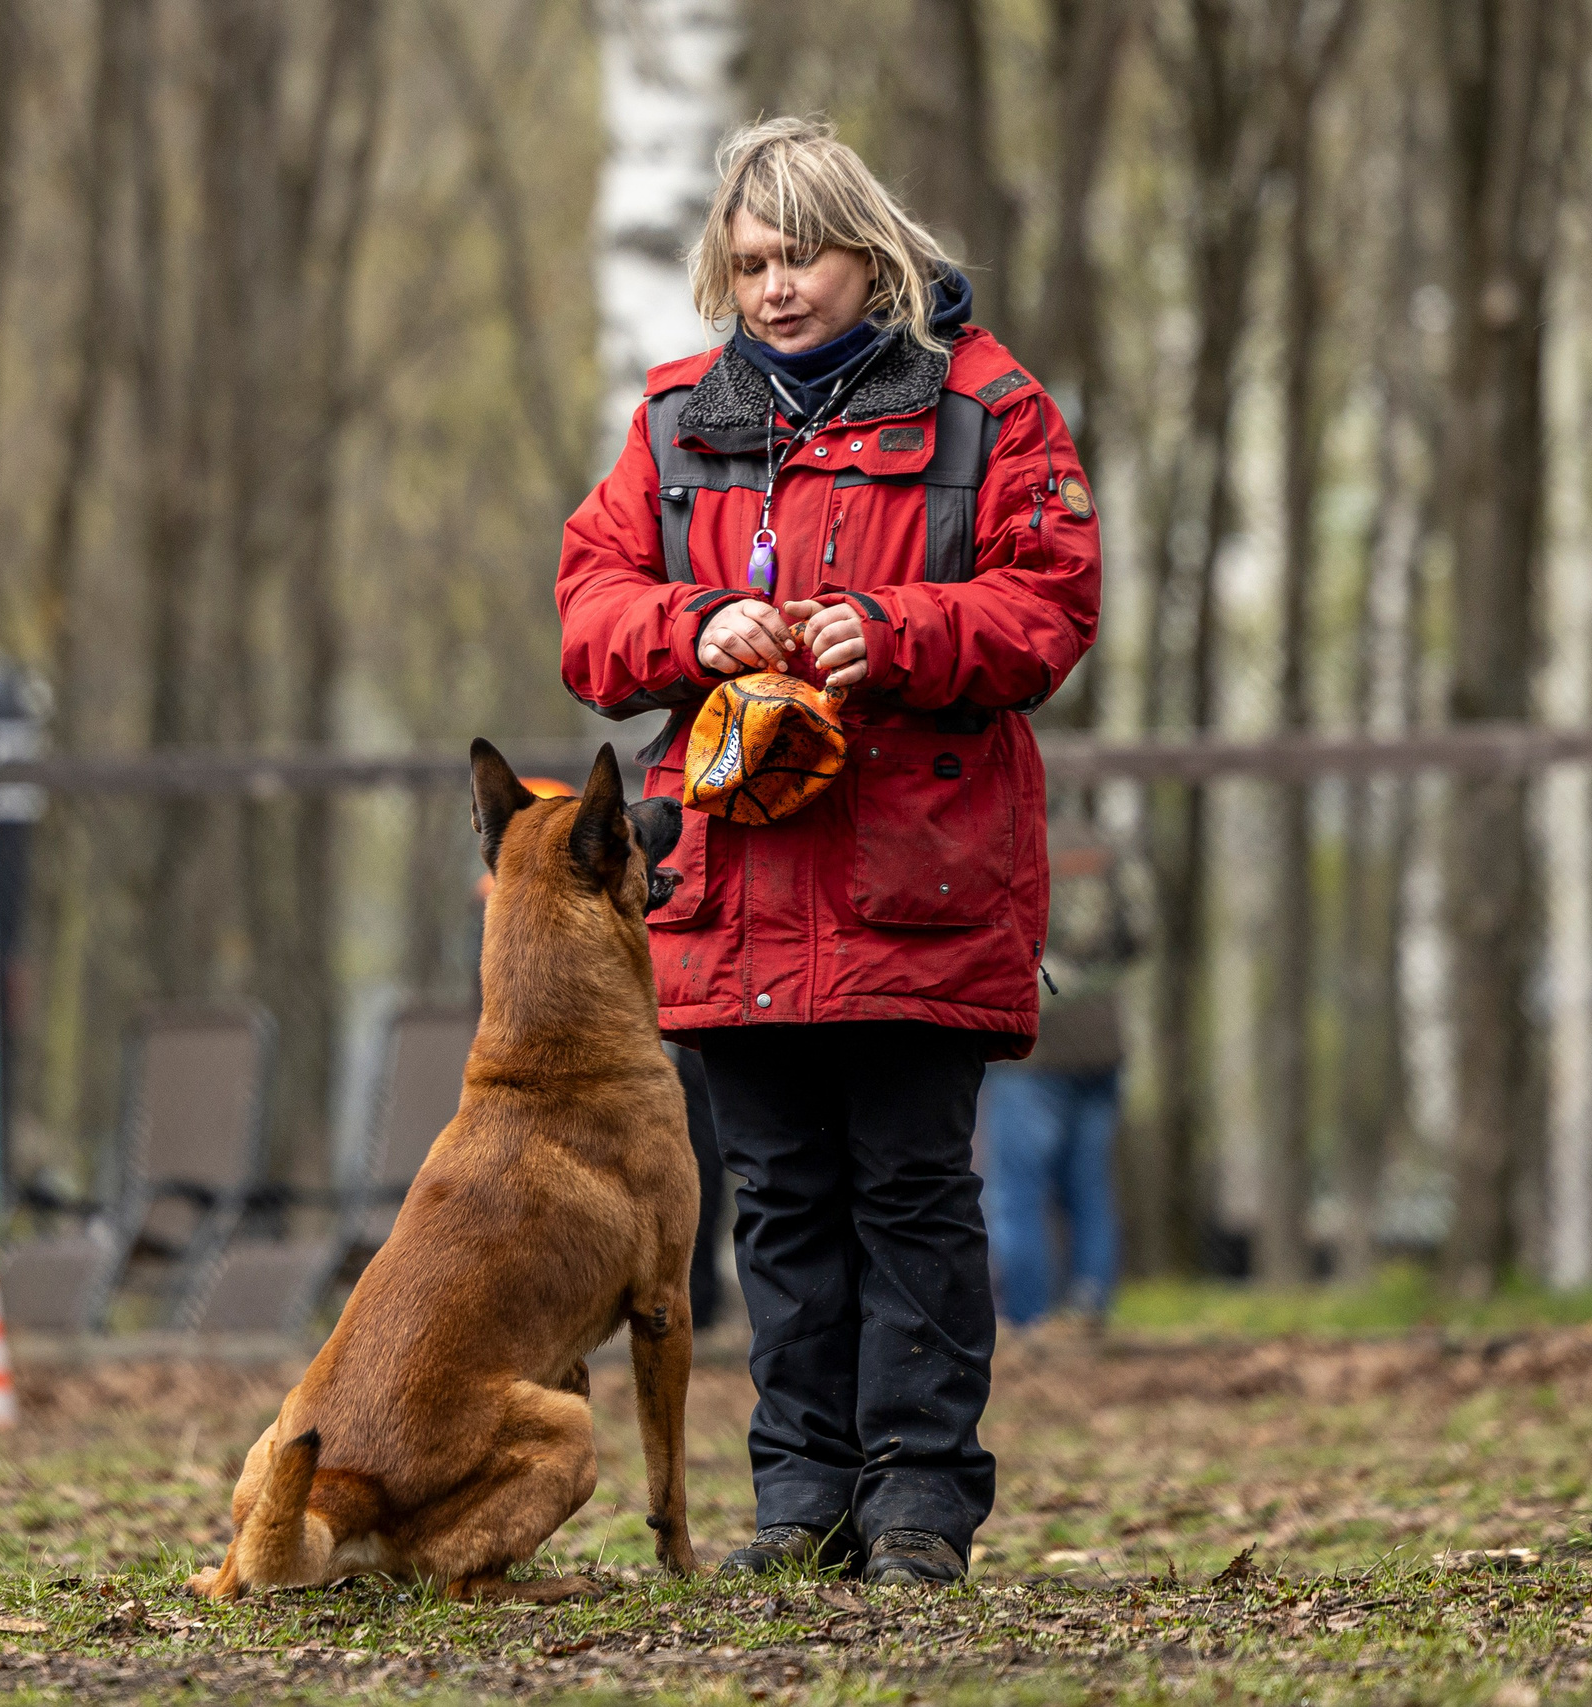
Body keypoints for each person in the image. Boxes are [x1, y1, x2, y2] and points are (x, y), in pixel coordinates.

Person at [558, 117, 1099, 1585]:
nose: (775, 289)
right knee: (779, 1204)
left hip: (916, 881)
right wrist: (691, 626)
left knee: (914, 1192)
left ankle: (921, 1503)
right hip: (735, 886)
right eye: (749, 265)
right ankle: (799, 1505)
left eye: (800, 256)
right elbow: (589, 610)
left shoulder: (992, 411)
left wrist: (904, 629)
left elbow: (1051, 608)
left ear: (872, 251)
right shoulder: (675, 417)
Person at [981, 848, 1135, 1327]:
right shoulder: (1105, 853)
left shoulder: (1004, 843)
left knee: (1018, 1194)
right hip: (1099, 1042)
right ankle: (1091, 1308)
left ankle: (1029, 1322)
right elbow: (1141, 934)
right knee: (1089, 1188)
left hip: (1029, 1048)